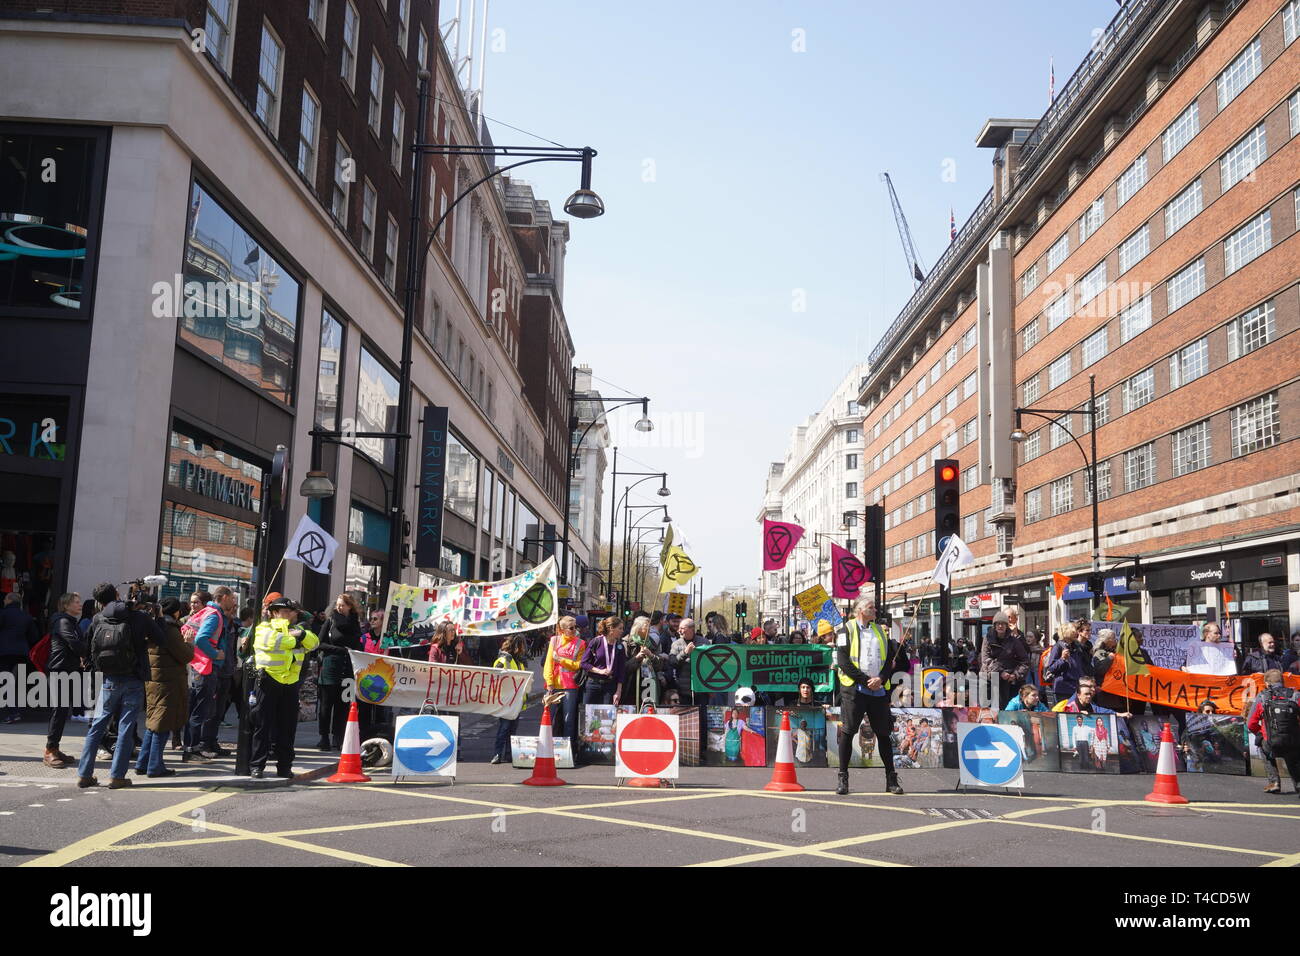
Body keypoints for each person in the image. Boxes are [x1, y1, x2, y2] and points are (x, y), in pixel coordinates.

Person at [77, 583, 161, 788]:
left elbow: (87, 648)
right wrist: (156, 617)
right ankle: (117, 776)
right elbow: (161, 639)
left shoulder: (98, 618)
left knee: (97, 725)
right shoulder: (140, 617)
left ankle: (84, 774)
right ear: (117, 595)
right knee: (125, 727)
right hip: (133, 678)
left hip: (108, 679)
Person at [835, 597, 909, 795]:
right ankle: (843, 779)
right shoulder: (846, 630)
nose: (875, 609)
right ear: (859, 610)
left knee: (883, 733)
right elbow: (843, 661)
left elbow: (888, 660)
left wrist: (882, 677)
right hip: (855, 689)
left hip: (878, 690)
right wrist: (865, 679)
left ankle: (891, 779)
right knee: (849, 732)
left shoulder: (880, 630)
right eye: (871, 607)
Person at [248, 597, 319, 779]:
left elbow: (314, 642)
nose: (287, 615)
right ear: (273, 613)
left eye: (289, 612)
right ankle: (257, 766)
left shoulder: (300, 629)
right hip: (268, 680)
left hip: (290, 683)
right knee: (262, 725)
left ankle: (285, 766)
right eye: (282, 612)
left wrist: (301, 635)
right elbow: (274, 641)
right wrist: (296, 640)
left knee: (288, 728)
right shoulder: (264, 628)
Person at [135, 597, 194, 778]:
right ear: (175, 612)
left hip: (153, 680)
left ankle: (143, 763)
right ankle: (155, 766)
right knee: (163, 724)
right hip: (168, 682)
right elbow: (184, 656)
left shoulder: (152, 625)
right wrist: (189, 642)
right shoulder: (170, 629)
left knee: (153, 723)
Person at [41, 591, 86, 767]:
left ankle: (55, 748)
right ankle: (50, 751)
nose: (79, 604)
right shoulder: (62, 621)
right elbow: (73, 643)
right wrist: (86, 655)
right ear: (66, 605)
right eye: (75, 602)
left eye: (79, 601)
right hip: (59, 670)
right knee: (58, 711)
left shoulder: (71, 622)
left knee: (61, 711)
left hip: (67, 669)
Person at [181, 588, 226, 761]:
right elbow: (200, 639)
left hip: (194, 665)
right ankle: (192, 750)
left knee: (193, 710)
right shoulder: (212, 615)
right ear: (224, 598)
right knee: (199, 711)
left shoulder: (199, 615)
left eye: (195, 602)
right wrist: (216, 654)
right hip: (205, 666)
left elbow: (186, 633)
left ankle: (189, 749)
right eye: (232, 599)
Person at [316, 593, 362, 751]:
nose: (339, 607)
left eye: (342, 605)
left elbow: (359, 644)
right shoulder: (330, 621)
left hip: (347, 668)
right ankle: (324, 737)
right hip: (331, 667)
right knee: (326, 705)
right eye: (338, 604)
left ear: (350, 606)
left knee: (342, 705)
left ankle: (338, 737)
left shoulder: (355, 624)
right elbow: (319, 644)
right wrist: (340, 650)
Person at [1247, 669, 1300, 797]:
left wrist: (1260, 734)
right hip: (1293, 741)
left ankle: (1274, 782)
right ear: (1283, 681)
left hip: (1272, 742)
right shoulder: (1295, 695)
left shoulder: (1263, 696)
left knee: (1262, 744)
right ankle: (1298, 783)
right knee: (1293, 755)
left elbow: (1251, 723)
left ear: (1267, 683)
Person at [543, 616, 586, 754]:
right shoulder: (554, 640)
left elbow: (578, 665)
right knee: (548, 717)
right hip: (554, 685)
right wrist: (549, 683)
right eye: (571, 628)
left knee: (569, 720)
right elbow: (548, 663)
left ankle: (567, 752)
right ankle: (546, 748)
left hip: (570, 686)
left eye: (576, 627)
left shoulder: (580, 643)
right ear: (562, 629)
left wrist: (561, 660)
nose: (575, 630)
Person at [0, 591, 38, 723]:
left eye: (5, 599)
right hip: (22, 654)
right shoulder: (26, 616)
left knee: (5, 682)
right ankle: (17, 710)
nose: (4, 601)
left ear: (9, 600)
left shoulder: (3, 613)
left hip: (4, 653)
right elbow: (34, 637)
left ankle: (13, 711)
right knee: (16, 683)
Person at [490, 635, 529, 764]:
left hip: (516, 701)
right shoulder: (504, 659)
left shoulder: (519, 660)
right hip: (507, 701)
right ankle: (497, 753)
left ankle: (509, 755)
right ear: (517, 646)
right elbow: (496, 676)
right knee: (504, 728)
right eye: (523, 645)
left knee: (512, 729)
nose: (524, 648)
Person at [979, 611, 1029, 709]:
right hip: (988, 678)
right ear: (994, 625)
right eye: (998, 624)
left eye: (1003, 624)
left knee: (1004, 710)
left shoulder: (1014, 641)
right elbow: (986, 659)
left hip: (1007, 683)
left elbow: (1025, 661)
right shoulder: (987, 639)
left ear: (1007, 626)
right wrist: (1000, 672)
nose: (1000, 626)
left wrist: (1015, 675)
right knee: (986, 710)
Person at [582, 616, 626, 706]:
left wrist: (618, 691)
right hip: (593, 684)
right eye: (620, 628)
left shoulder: (620, 646)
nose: (622, 631)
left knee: (607, 716)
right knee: (588, 714)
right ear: (611, 629)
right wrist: (600, 671)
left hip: (610, 686)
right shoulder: (596, 642)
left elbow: (621, 671)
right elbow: (583, 663)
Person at [621, 616, 662, 710]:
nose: (649, 629)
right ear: (638, 628)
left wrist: (651, 655)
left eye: (650, 626)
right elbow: (623, 668)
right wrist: (637, 658)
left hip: (649, 687)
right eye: (646, 626)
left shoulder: (652, 643)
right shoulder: (626, 643)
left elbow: (660, 666)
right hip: (631, 687)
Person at [1044, 622, 1088, 705]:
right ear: (1066, 632)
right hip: (1063, 688)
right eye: (1073, 631)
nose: (1076, 633)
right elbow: (1051, 668)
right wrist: (1062, 659)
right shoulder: (1058, 647)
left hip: (1076, 687)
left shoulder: (1076, 647)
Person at [669, 617, 706, 704]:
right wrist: (685, 653)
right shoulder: (676, 644)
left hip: (701, 690)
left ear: (691, 629)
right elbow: (673, 662)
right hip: (683, 691)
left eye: (682, 628)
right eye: (679, 628)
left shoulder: (704, 642)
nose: (679, 631)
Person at [1052, 677, 1130, 716]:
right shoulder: (1071, 704)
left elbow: (1099, 710)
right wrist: (1078, 714)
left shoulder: (1089, 702)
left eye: (1093, 687)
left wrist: (1118, 714)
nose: (1093, 689)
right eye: (1089, 687)